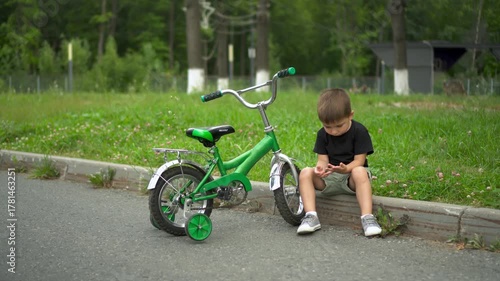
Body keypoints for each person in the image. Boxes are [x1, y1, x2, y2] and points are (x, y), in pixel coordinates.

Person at [297, 88, 382, 237]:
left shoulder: (359, 131)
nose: (333, 131)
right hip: (330, 178)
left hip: (352, 179)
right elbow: (322, 159)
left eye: (339, 126)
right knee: (305, 173)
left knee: (359, 171)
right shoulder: (322, 134)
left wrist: (345, 169)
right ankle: (311, 216)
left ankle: (368, 218)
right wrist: (320, 169)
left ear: (350, 115)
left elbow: (359, 161)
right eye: (327, 126)